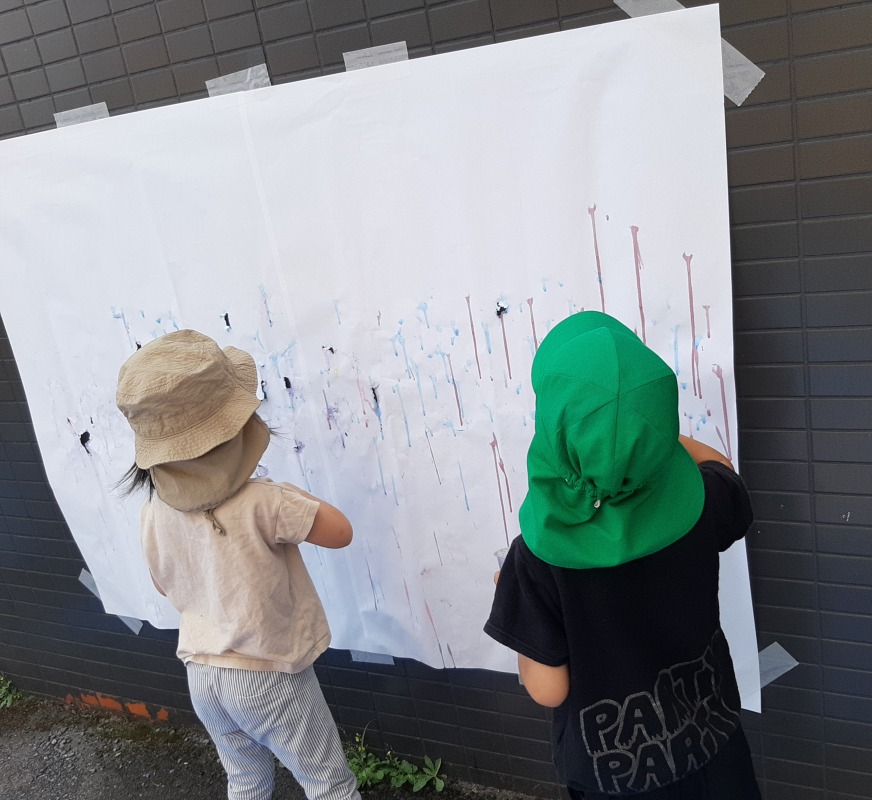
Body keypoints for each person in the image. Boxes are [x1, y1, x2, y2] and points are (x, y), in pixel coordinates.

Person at [484, 311, 761, 799]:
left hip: (614, 776)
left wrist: (517, 608)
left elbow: (548, 689)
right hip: (714, 749)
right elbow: (725, 472)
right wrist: (642, 436)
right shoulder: (701, 501)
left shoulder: (535, 558)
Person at [116, 329, 361, 800]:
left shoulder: (154, 512)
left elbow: (163, 584)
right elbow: (340, 532)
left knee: (247, 780)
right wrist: (292, 494)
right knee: (328, 783)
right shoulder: (265, 500)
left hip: (202, 672)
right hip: (267, 672)